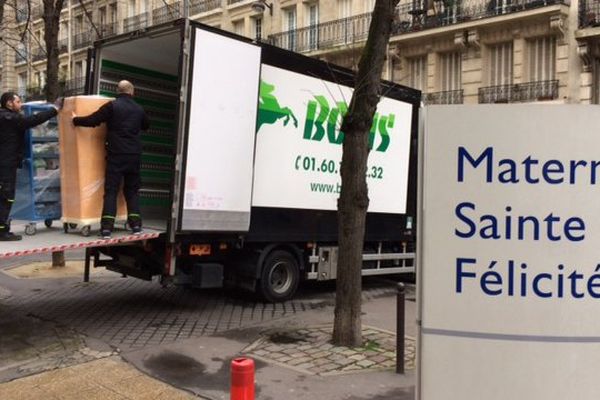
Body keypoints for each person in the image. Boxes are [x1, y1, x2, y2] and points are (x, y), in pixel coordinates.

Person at [73, 80, 149, 239]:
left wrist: (75, 120)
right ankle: (136, 226)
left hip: (116, 154)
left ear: (118, 91)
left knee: (111, 191)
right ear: (132, 92)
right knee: (132, 191)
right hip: (134, 155)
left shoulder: (112, 106)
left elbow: (93, 120)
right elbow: (147, 125)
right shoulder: (139, 108)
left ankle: (106, 229)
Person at [0, 92, 62, 241]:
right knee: (6, 197)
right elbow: (32, 120)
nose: (20, 105)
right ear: (9, 103)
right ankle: (2, 231)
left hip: (5, 162)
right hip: (6, 164)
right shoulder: (9, 117)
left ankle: (3, 228)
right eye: (18, 102)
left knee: (4, 197)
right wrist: (54, 109)